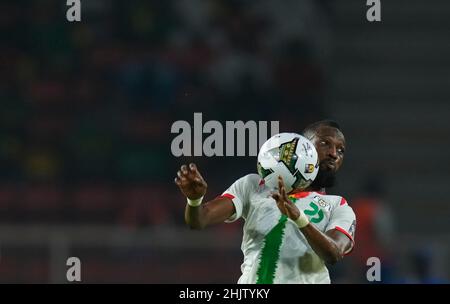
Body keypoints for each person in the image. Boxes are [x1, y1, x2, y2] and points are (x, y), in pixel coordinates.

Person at [174, 120, 356, 283]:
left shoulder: (338, 206)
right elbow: (198, 220)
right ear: (302, 145)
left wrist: (299, 218)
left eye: (340, 150)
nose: (334, 154)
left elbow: (334, 253)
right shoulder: (253, 185)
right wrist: (194, 199)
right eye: (325, 143)